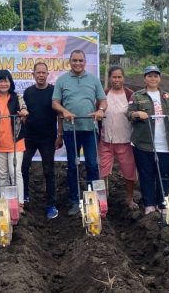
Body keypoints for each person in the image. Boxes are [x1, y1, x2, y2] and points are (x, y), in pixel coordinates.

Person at [52, 50, 106, 216]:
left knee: (92, 165)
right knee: (72, 166)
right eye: (74, 60)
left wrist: (101, 110)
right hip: (71, 130)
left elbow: (103, 100)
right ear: (70, 62)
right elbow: (55, 103)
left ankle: (93, 199)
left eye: (80, 60)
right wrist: (65, 111)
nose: (77, 63)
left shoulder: (93, 80)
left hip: (90, 129)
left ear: (85, 62)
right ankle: (75, 201)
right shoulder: (62, 80)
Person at [127, 66, 169, 215]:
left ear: (159, 78)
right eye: (149, 76)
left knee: (164, 175)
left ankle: (162, 204)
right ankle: (149, 204)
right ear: (144, 78)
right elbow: (129, 113)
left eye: (155, 76)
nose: (153, 79)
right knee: (146, 175)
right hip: (144, 143)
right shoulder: (137, 96)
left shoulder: (167, 96)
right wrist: (137, 113)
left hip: (165, 143)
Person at [21, 61, 63, 219]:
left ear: (47, 74)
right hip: (29, 137)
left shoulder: (54, 92)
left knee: (48, 170)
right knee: (23, 166)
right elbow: (23, 115)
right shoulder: (28, 92)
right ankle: (24, 196)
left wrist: (60, 135)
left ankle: (51, 205)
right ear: (33, 74)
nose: (40, 75)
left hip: (48, 138)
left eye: (43, 73)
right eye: (38, 72)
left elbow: (60, 115)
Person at [0, 69, 29, 212]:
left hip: (16, 142)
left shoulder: (17, 97)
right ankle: (5, 203)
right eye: (1, 81)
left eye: (6, 81)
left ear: (11, 83)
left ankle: (19, 204)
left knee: (15, 172)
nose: (4, 84)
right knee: (2, 175)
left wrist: (24, 113)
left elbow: (24, 110)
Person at [100, 66, 138, 211]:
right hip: (106, 140)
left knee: (129, 171)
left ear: (123, 78)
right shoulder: (103, 95)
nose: (117, 80)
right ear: (110, 78)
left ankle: (129, 199)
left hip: (125, 141)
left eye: (119, 77)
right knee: (103, 171)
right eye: (114, 77)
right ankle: (103, 200)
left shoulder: (130, 95)